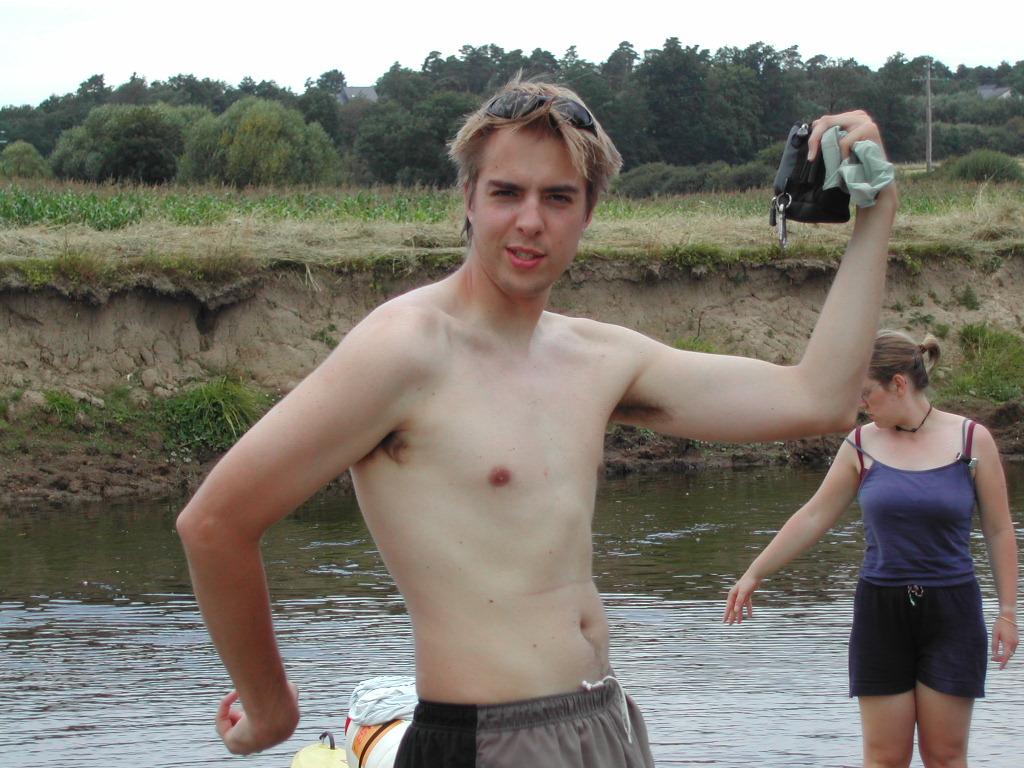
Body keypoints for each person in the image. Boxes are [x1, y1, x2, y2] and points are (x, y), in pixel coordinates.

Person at [177, 77, 898, 767]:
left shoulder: (597, 357)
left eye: (558, 197)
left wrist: (877, 214)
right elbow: (216, 523)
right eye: (506, 193)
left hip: (605, 725)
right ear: (467, 198)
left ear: (587, 212)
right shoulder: (406, 349)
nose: (530, 220)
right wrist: (271, 708)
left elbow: (819, 399)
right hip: (487, 740)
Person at [724, 330, 1019, 768]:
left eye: (867, 394)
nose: (862, 405)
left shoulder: (972, 441)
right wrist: (754, 573)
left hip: (952, 611)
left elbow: (998, 530)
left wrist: (1008, 613)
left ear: (899, 383)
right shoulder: (861, 446)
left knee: (945, 756)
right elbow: (813, 516)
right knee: (884, 758)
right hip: (880, 613)